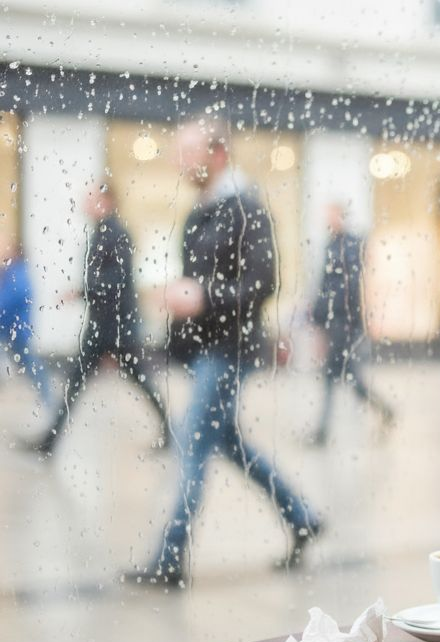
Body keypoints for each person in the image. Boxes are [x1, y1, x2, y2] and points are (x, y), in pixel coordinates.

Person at [125, 114, 321, 587]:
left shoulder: (246, 206)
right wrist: (181, 301)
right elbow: (202, 280)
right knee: (229, 443)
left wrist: (203, 296)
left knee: (192, 444)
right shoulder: (203, 208)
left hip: (230, 350)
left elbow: (264, 282)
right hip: (205, 348)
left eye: (186, 150)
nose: (178, 159)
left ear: (216, 154)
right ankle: (303, 517)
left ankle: (170, 560)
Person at [30, 179, 170, 456]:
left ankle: (169, 430)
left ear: (107, 202)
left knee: (137, 379)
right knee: (77, 381)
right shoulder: (102, 232)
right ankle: (49, 442)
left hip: (116, 325)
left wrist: (82, 290)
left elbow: (117, 280)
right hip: (102, 324)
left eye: (91, 198)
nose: (86, 204)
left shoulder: (117, 233)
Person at [307, 202, 395, 446]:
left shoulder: (352, 244)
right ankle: (383, 410)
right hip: (333, 320)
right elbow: (324, 285)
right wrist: (317, 319)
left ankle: (323, 432)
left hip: (346, 321)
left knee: (341, 377)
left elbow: (355, 285)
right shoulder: (330, 245)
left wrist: (369, 317)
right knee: (342, 377)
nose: (327, 219)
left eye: (331, 214)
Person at [0, 243, 54, 408]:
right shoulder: (12, 273)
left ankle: (49, 401)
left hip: (19, 331)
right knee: (29, 364)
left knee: (31, 365)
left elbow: (6, 301)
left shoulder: (19, 274)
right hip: (9, 329)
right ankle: (49, 399)